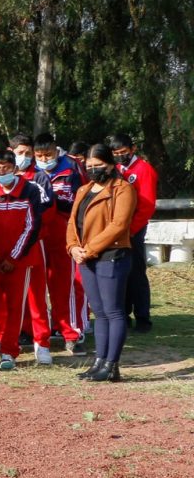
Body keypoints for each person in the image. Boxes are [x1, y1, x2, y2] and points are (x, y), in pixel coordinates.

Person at [68, 144, 137, 382]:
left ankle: (112, 365)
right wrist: (73, 247)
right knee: (99, 312)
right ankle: (99, 362)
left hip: (112, 256)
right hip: (86, 257)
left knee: (114, 311)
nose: (94, 170)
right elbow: (72, 222)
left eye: (99, 165)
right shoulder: (83, 190)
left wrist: (89, 249)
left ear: (110, 164)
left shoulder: (123, 189)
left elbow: (118, 225)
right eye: (89, 166)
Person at [0, 150, 49, 370]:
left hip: (18, 260)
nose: (1, 172)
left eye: (6, 168)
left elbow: (32, 226)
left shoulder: (29, 189)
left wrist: (13, 257)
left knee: (15, 306)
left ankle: (9, 351)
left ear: (14, 168)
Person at [30, 134, 83, 354]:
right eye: (39, 156)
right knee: (38, 287)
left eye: (48, 155)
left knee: (65, 285)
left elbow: (80, 200)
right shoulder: (30, 172)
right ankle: (43, 332)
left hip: (64, 229)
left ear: (56, 151)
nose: (44, 159)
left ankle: (71, 333)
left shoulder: (71, 169)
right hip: (38, 233)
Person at [107, 134, 157, 331]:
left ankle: (143, 317)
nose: (120, 157)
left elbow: (147, 205)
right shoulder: (117, 169)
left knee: (136, 273)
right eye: (116, 154)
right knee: (121, 274)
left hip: (134, 229)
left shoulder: (144, 169)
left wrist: (131, 230)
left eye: (123, 153)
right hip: (118, 230)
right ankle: (124, 315)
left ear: (133, 149)